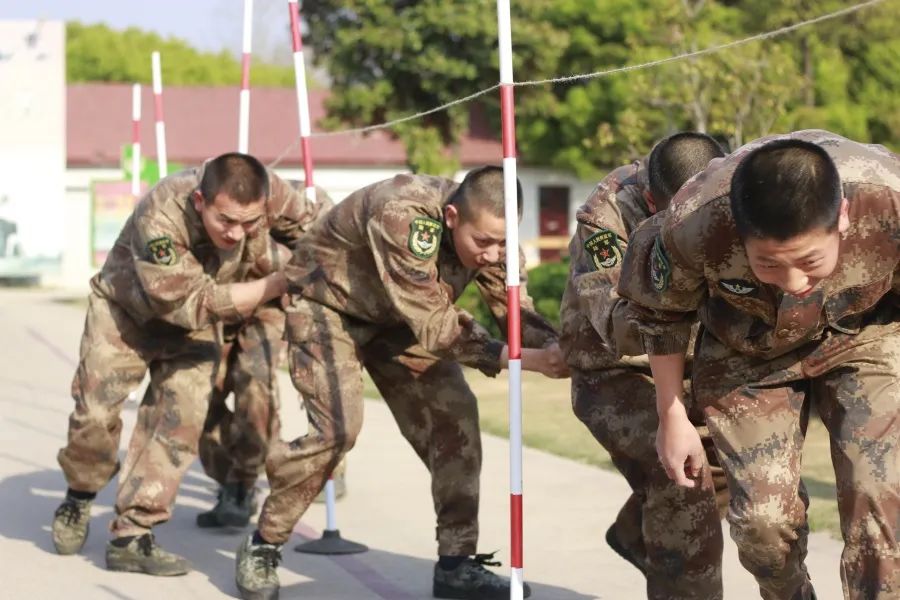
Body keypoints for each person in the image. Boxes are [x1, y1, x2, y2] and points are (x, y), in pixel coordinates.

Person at [234, 166, 569, 600]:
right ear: (451, 217)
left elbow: (519, 317)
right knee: (338, 430)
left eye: (504, 242)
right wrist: (522, 360)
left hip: (399, 323)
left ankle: (456, 564)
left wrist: (565, 351)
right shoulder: (404, 215)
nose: (492, 254)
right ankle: (264, 543)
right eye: (482, 242)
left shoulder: (497, 242)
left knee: (455, 417)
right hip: (328, 308)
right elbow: (436, 326)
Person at [617, 129, 900, 600]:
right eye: (767, 265)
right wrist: (672, 414)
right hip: (746, 356)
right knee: (763, 530)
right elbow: (660, 314)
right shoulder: (693, 222)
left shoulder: (889, 198)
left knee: (881, 505)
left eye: (809, 260)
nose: (793, 283)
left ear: (843, 217)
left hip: (863, 335)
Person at [52, 153, 328, 575]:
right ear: (200, 201)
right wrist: (275, 284)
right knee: (94, 415)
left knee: (177, 421)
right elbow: (189, 301)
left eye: (250, 223)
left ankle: (133, 534)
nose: (237, 234)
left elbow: (324, 230)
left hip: (198, 328)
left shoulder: (270, 194)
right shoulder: (162, 211)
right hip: (129, 313)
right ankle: (81, 491)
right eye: (226, 221)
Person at [559, 132, 730, 599]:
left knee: (738, 460)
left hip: (695, 364)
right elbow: (623, 325)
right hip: (615, 370)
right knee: (683, 483)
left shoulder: (734, 191)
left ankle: (637, 534)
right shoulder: (608, 215)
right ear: (653, 200)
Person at [196, 181, 335, 529]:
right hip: (212, 308)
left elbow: (317, 252)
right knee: (198, 394)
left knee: (254, 382)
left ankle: (241, 486)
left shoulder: (285, 215)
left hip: (268, 307)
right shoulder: (206, 216)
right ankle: (230, 474)